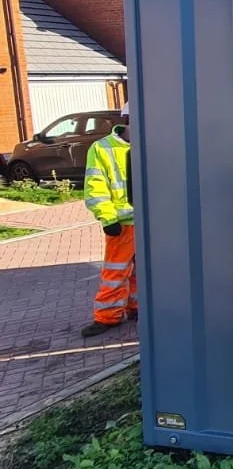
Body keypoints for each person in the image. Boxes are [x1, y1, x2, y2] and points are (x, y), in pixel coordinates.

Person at [81, 107, 137, 337]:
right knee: (116, 272)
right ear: (127, 120)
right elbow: (96, 187)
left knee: (145, 272)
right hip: (122, 223)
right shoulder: (102, 148)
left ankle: (137, 307)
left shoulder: (153, 144)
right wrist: (108, 218)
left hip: (151, 222)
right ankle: (107, 316)